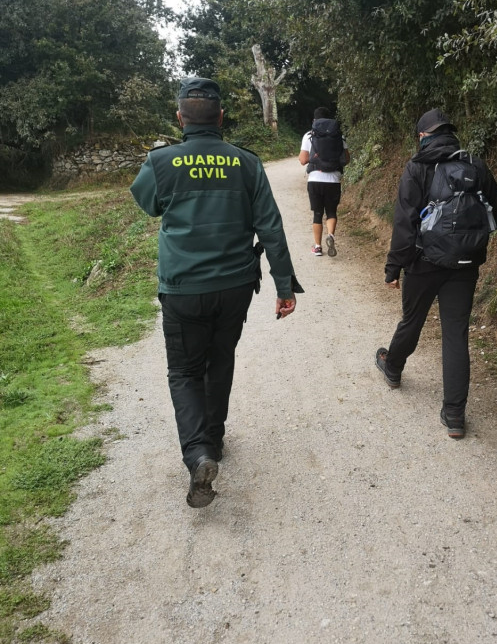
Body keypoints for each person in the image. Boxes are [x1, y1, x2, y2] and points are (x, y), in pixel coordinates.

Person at [131, 77, 302, 507]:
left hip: (183, 288)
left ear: (179, 118)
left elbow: (148, 204)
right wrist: (284, 285)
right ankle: (215, 442)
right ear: (221, 117)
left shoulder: (161, 162)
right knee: (220, 359)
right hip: (235, 286)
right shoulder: (245, 163)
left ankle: (198, 453)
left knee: (185, 372)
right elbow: (271, 228)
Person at [375, 108, 497, 439]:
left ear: (422, 136)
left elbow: (404, 225)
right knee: (455, 334)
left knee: (412, 319)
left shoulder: (417, 167)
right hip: (465, 264)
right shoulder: (475, 163)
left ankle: (392, 367)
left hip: (423, 262)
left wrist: (394, 268)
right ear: (450, 133)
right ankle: (454, 415)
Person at [299, 107, 350, 256]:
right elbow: (346, 159)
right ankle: (331, 235)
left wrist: (316, 158)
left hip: (315, 180)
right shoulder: (339, 136)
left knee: (317, 213)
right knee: (332, 212)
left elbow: (302, 160)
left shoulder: (309, 135)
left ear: (315, 120)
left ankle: (317, 247)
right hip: (333, 180)